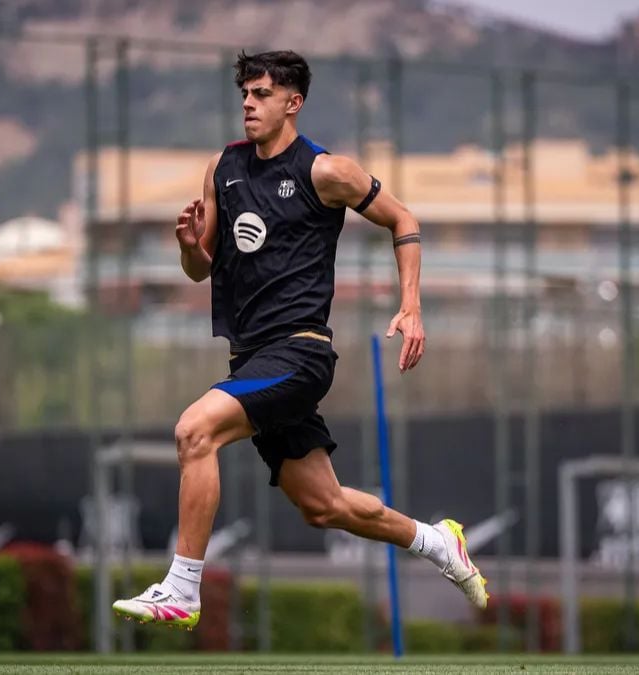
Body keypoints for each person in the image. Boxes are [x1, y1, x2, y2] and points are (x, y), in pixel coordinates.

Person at [113, 50, 487, 629]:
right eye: (244, 94)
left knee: (195, 431)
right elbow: (200, 271)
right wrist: (190, 247)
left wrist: (411, 306)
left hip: (301, 351)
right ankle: (438, 543)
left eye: (261, 94)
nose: (248, 104)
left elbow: (403, 220)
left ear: (294, 102)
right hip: (251, 358)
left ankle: (183, 589)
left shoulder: (326, 171)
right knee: (324, 506)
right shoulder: (224, 168)